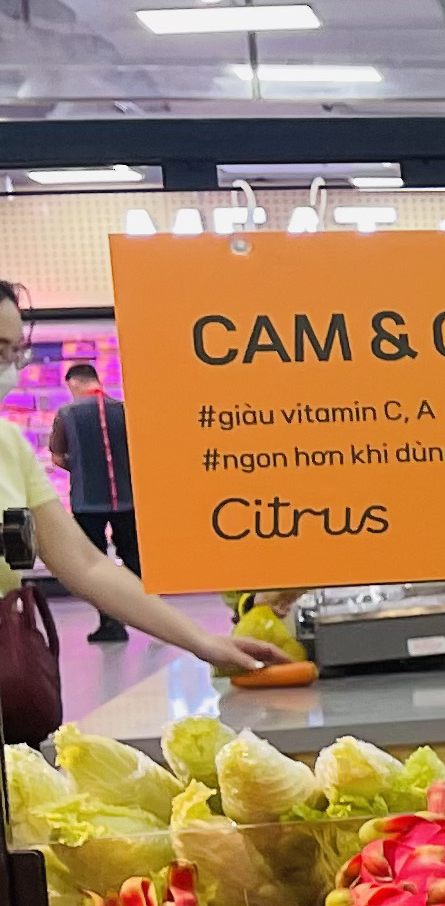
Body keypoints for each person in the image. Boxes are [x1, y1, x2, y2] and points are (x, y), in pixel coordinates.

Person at [0, 286, 263, 681]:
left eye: (14, 350)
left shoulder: (8, 445)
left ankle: (111, 624)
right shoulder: (115, 411)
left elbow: (87, 566)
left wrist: (201, 641)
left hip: (89, 505)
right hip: (119, 499)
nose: (10, 366)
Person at [41, 361, 132, 645]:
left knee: (94, 563)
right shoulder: (125, 410)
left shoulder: (67, 414)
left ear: (75, 384)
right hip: (128, 500)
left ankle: (110, 621)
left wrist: (78, 467)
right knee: (132, 557)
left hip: (86, 500)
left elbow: (57, 457)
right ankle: (140, 611)